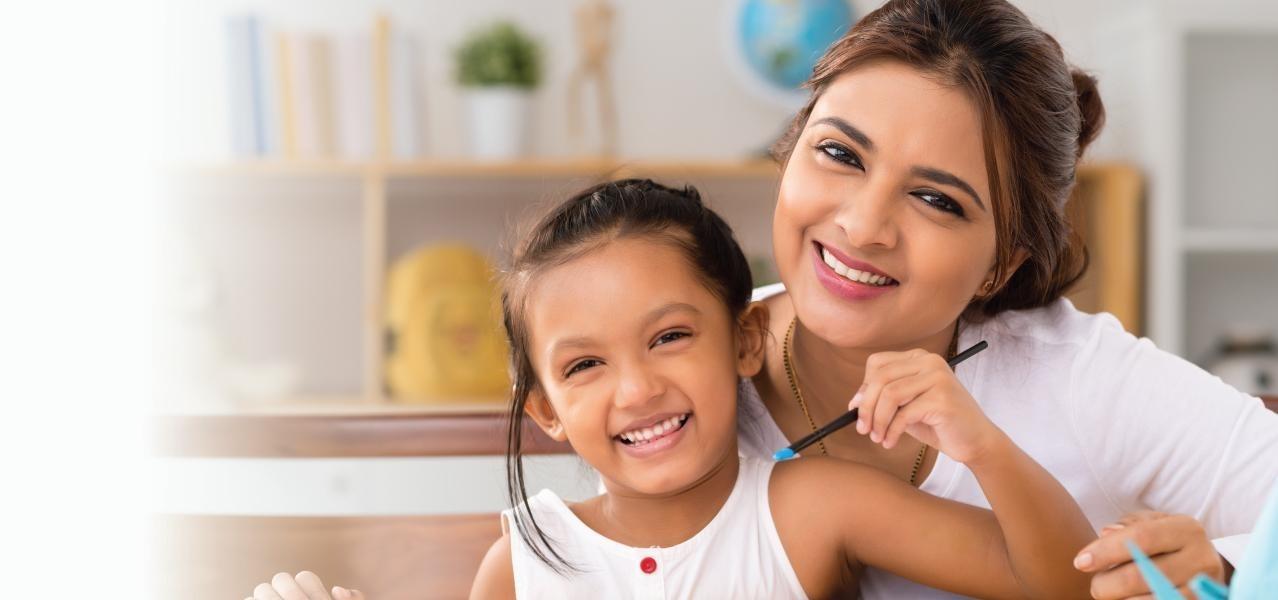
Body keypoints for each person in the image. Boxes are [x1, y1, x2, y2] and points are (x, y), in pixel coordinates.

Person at [257, 0, 1278, 597]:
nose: (864, 225)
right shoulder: (685, 348)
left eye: (935, 198)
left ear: (1005, 259)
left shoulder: (1073, 378)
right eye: (838, 154)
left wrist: (1229, 570)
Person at [470, 178, 1093, 598]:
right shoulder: (519, 568)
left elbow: (1061, 586)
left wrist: (983, 446)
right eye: (584, 366)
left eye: (669, 337)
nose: (636, 390)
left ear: (745, 341)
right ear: (547, 409)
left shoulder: (813, 508)